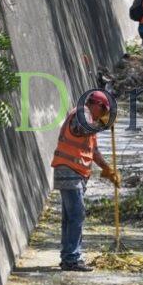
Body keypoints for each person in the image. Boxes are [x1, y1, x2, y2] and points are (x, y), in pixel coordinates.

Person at [50, 91, 121, 272]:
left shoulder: (89, 120)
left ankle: (68, 256)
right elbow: (80, 128)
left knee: (70, 217)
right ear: (97, 104)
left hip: (75, 174)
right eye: (103, 111)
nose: (102, 115)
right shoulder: (82, 114)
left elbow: (94, 152)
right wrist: (103, 124)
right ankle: (72, 258)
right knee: (77, 215)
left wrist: (108, 169)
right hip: (69, 172)